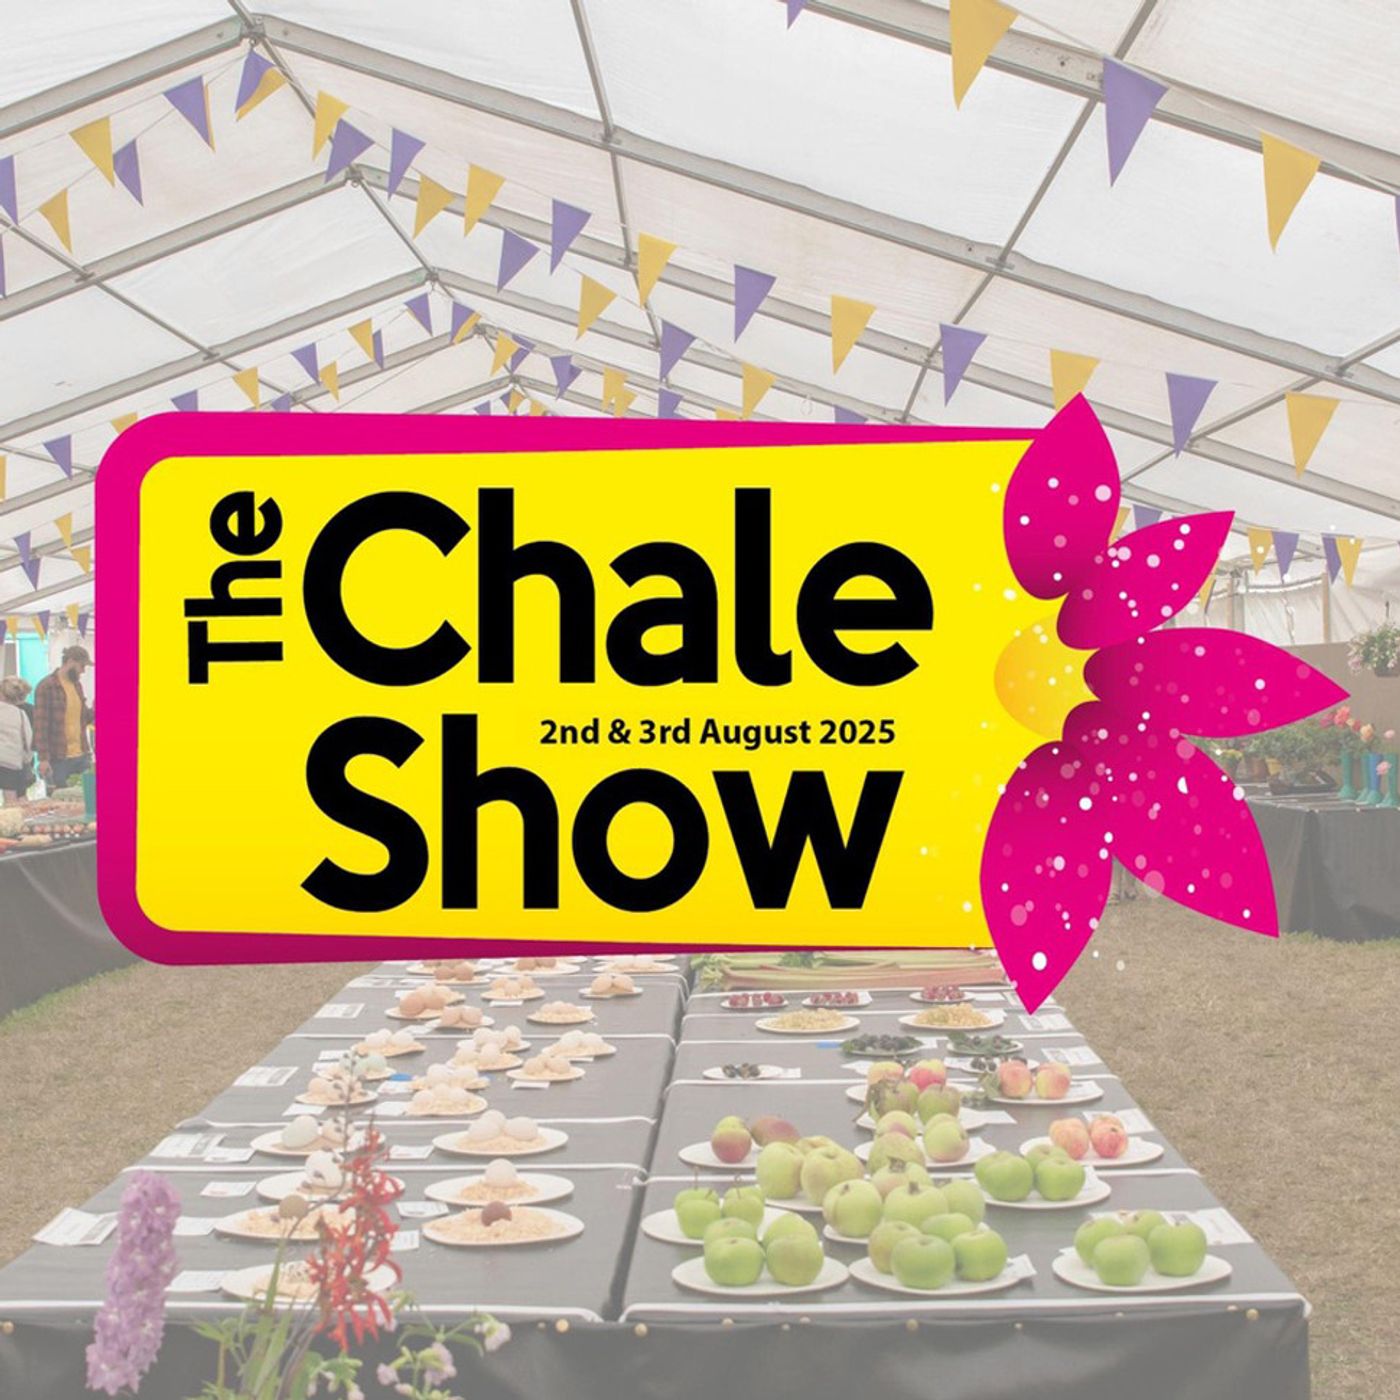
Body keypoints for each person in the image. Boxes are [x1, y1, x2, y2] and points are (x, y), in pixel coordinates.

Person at [33, 644, 93, 789]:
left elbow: (84, 717)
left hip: (82, 755)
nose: (83, 671)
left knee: (88, 797)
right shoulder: (46, 686)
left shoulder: (77, 685)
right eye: (82, 666)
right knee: (59, 799)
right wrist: (43, 759)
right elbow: (40, 726)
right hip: (58, 758)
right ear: (70, 661)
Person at [0, 676, 34, 804]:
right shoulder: (20, 714)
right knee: (14, 801)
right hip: (13, 762)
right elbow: (28, 740)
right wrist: (27, 760)